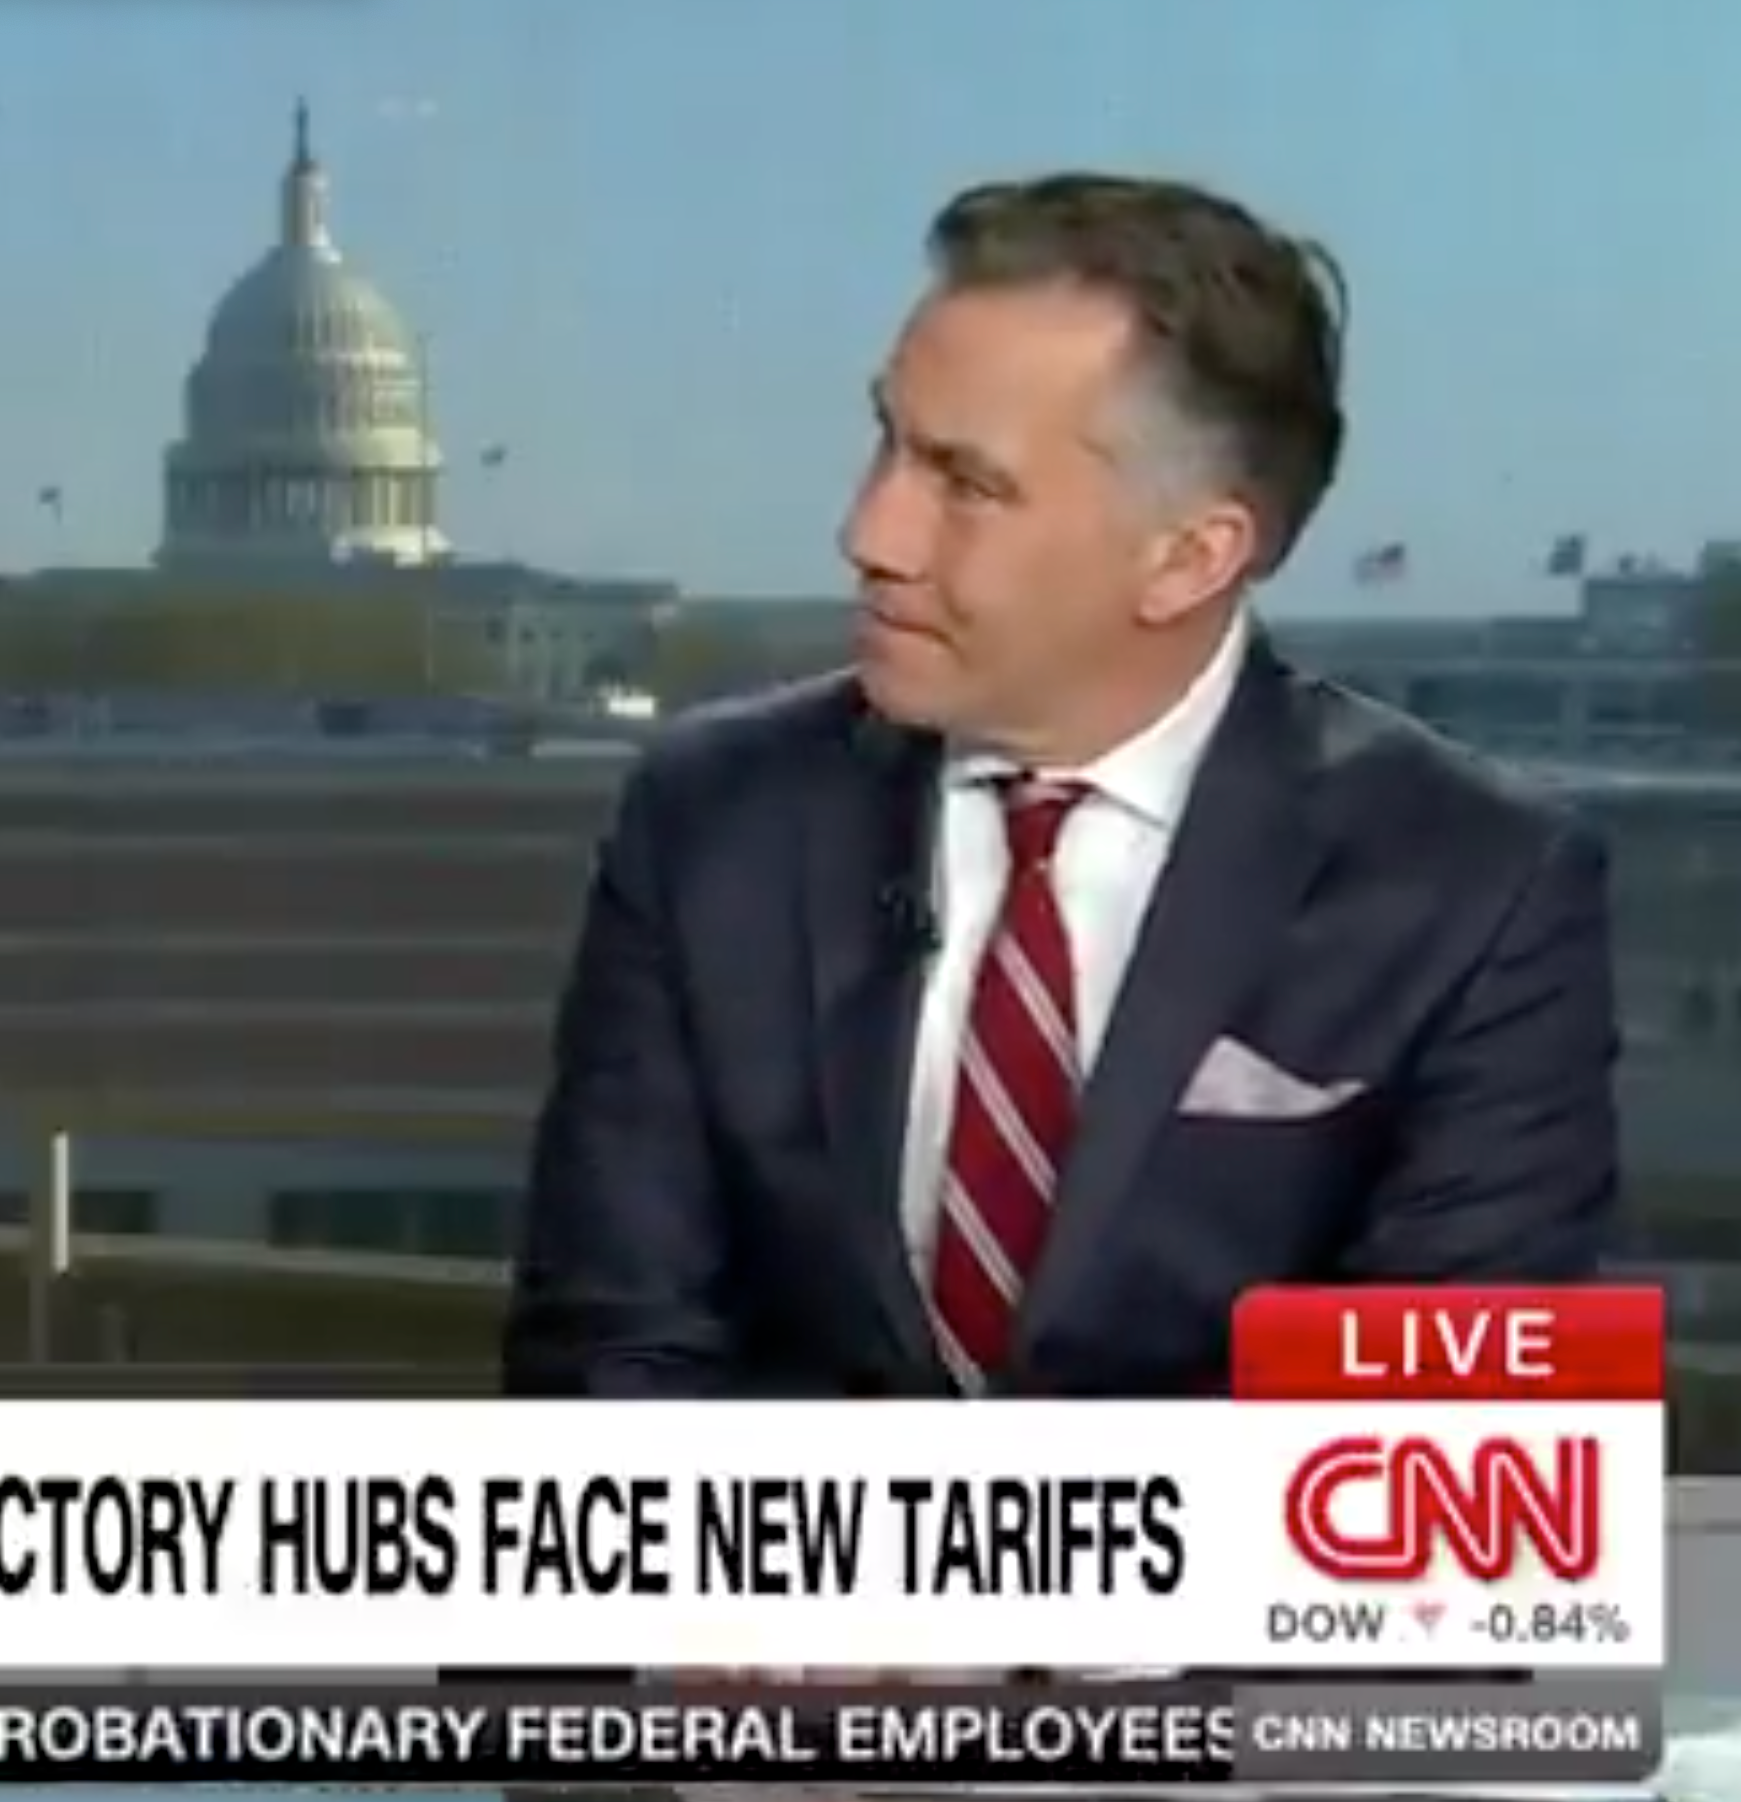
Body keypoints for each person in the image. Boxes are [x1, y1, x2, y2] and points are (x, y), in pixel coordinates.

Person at [506, 173, 1619, 1404]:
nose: (871, 530)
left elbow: (1438, 1448)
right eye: (887, 438)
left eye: (966, 483)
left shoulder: (1479, 886)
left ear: (1191, 555)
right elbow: (614, 1362)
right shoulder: (712, 819)